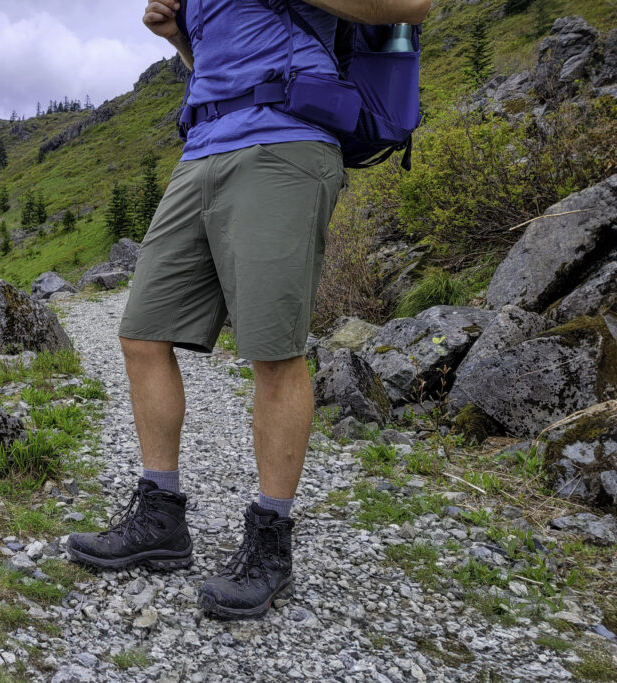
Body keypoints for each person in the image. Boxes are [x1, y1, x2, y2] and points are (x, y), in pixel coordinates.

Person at [66, 0, 432, 619]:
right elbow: (219, 56)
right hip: (203, 147)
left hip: (286, 143)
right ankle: (161, 517)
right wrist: (181, 37)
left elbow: (412, 6)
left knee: (272, 349)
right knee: (143, 335)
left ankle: (270, 541)